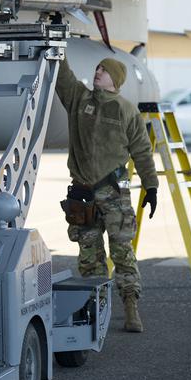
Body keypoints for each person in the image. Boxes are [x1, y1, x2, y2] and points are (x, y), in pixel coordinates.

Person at [56, 55, 158, 333]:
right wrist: (58, 48)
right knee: (89, 254)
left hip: (113, 191)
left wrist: (152, 186)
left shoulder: (126, 110)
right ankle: (95, 306)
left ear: (116, 79)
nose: (98, 71)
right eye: (97, 67)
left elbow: (142, 151)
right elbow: (63, 77)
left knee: (122, 250)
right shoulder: (79, 98)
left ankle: (130, 306)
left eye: (104, 70)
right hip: (82, 191)